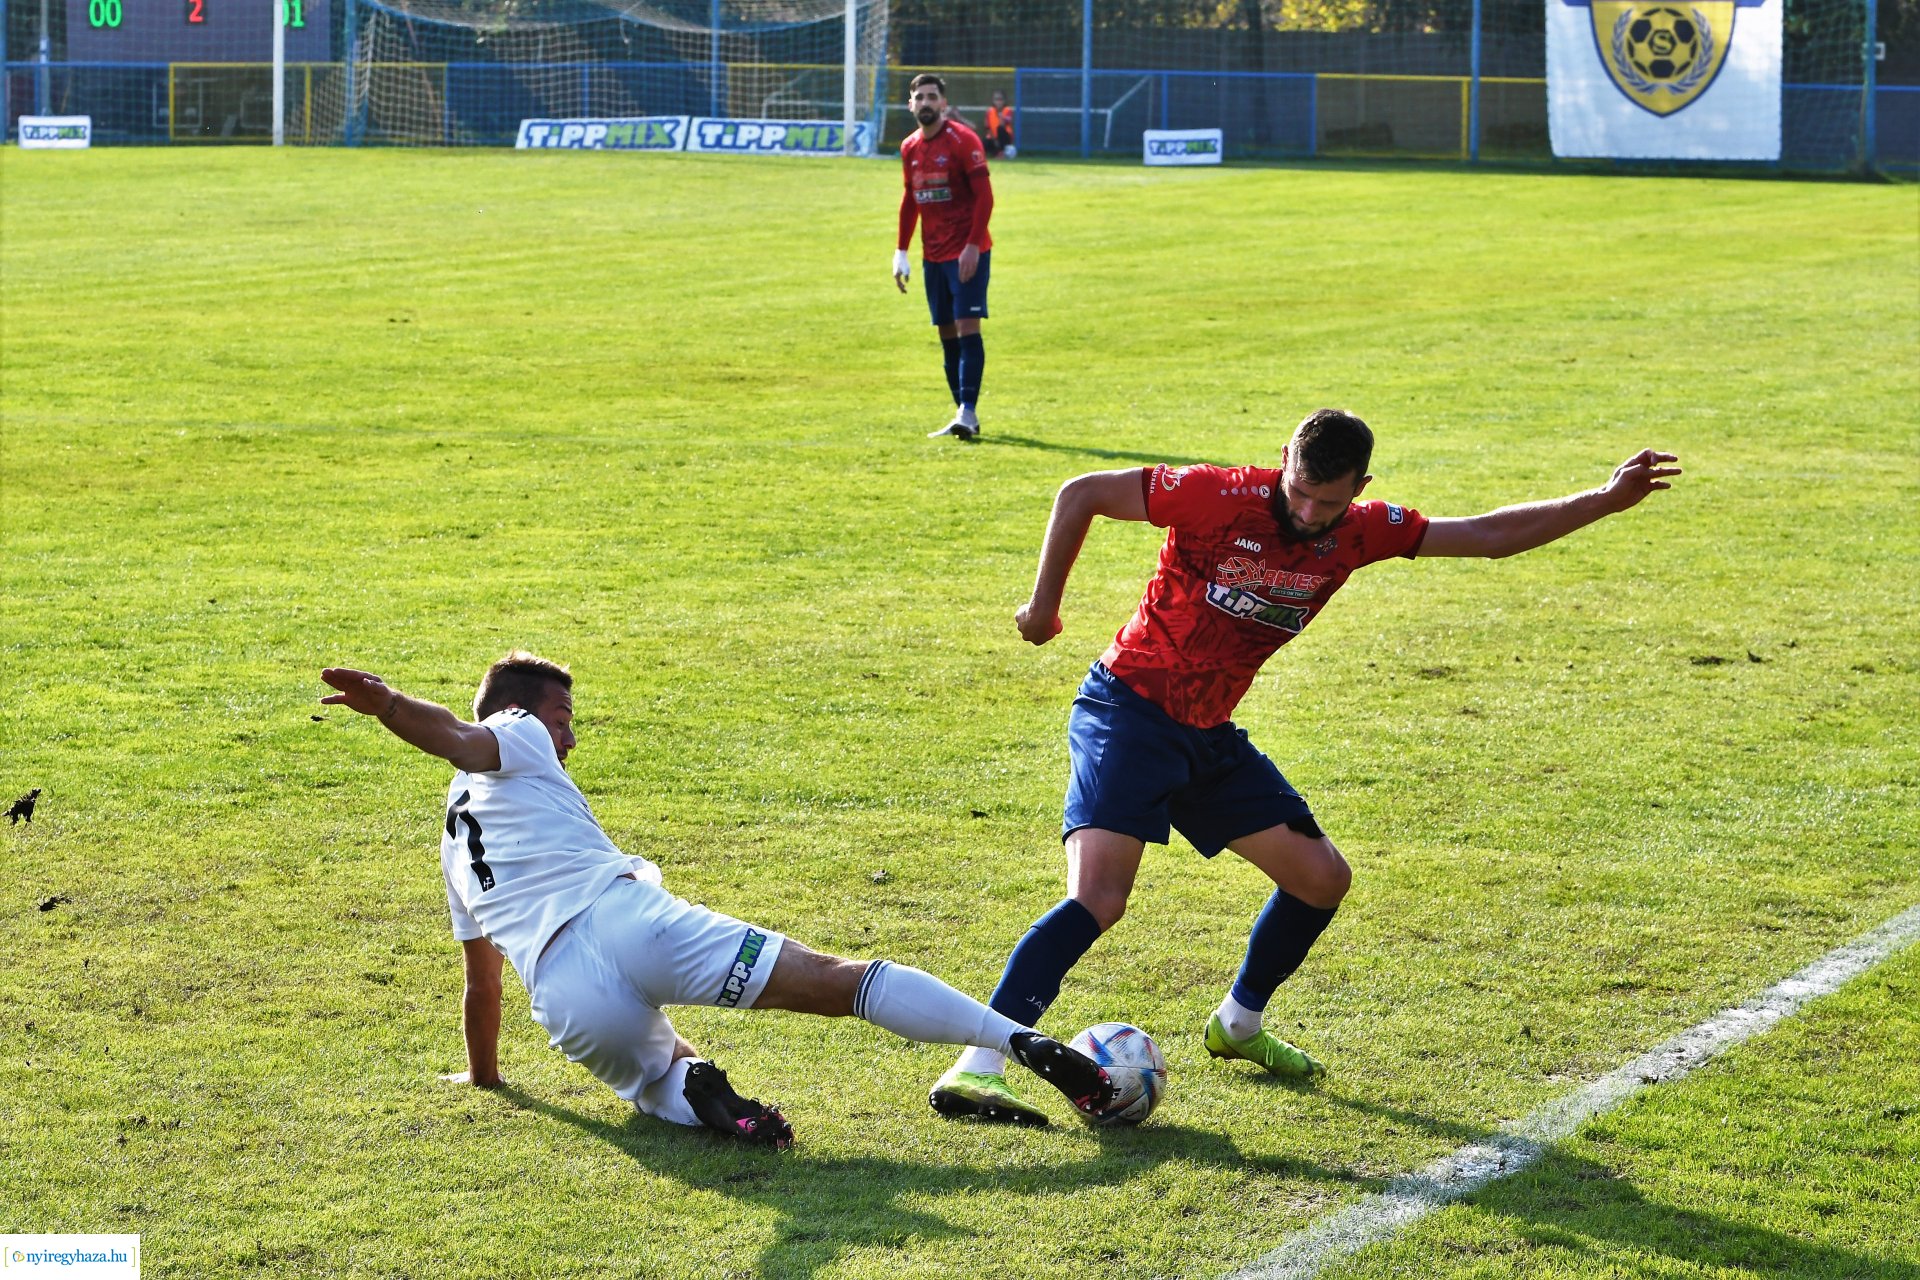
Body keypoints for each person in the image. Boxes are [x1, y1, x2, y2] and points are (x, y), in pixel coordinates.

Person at [927, 410, 1683, 1124]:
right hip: (1129, 712)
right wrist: (1043, 608)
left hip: (1207, 735)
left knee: (1321, 879)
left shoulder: (1361, 532)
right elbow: (1082, 492)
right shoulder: (1217, 495)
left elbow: (1488, 536)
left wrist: (1605, 499)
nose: (1311, 512)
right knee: (1099, 897)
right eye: (1300, 492)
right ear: (1284, 460)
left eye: (1330, 501)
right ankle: (979, 1061)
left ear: (1361, 487)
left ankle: (1237, 1024)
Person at [319, 654, 1114, 1146]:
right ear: (520, 710)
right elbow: (459, 736)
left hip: (562, 995)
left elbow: (481, 980)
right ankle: (1016, 1042)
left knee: (659, 1077)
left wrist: (483, 1077)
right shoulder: (515, 727)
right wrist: (390, 706)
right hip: (629, 920)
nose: (570, 738)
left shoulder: (455, 841)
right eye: (566, 720)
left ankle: (704, 1095)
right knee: (837, 981)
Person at [892, 72, 994, 441]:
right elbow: (910, 199)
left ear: (944, 103)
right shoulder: (909, 147)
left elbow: (985, 198)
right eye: (919, 97)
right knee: (946, 331)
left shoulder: (963, 141)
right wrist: (901, 250)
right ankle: (963, 414)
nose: (926, 103)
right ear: (910, 105)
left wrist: (972, 245)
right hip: (932, 254)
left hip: (967, 252)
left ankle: (967, 411)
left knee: (967, 327)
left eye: (932, 96)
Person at [984, 89, 1015, 159]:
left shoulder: (1008, 110)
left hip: (1005, 138)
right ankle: (994, 153)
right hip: (994, 138)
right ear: (993, 101)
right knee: (985, 142)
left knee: (1000, 129)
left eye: (1000, 99)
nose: (998, 102)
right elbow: (987, 128)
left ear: (1004, 101)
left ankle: (1001, 153)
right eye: (996, 99)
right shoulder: (989, 111)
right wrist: (995, 140)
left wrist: (1000, 116)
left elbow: (1003, 125)